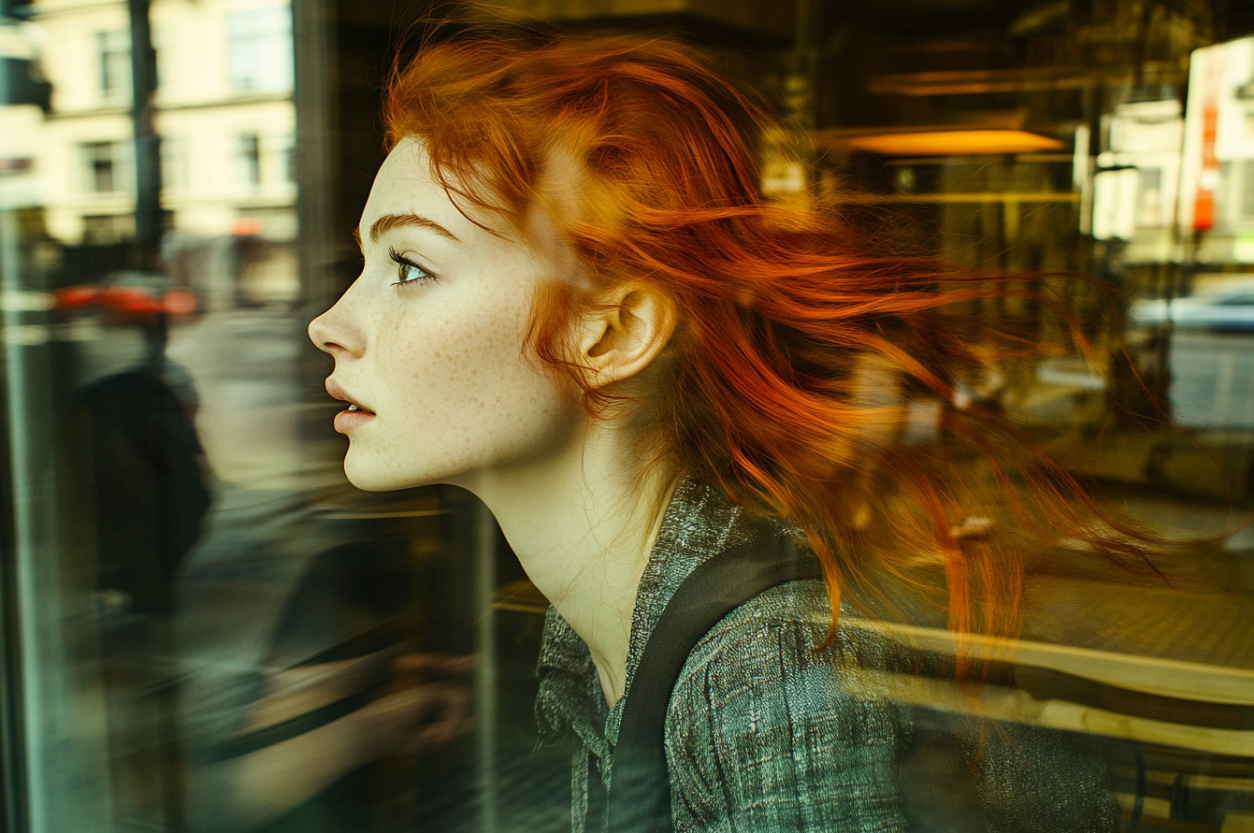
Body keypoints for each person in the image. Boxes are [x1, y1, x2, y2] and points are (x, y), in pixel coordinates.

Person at [308, 20, 1136, 832]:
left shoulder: (756, 666)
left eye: (409, 266)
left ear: (612, 333)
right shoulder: (604, 624)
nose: (330, 322)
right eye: (366, 264)